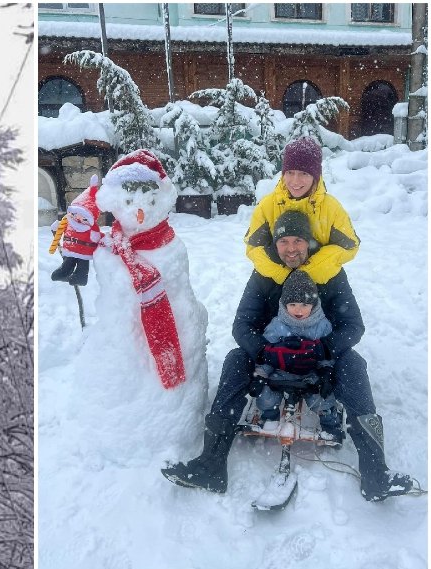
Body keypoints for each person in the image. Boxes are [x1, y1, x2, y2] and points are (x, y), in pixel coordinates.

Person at [162, 211, 416, 502]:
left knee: (354, 364)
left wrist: (323, 349)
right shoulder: (264, 273)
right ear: (275, 244)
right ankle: (211, 465)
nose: (291, 248)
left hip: (319, 360)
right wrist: (265, 352)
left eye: (298, 240)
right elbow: (242, 324)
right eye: (284, 241)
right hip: (271, 358)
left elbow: (353, 325)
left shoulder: (330, 273)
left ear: (308, 242)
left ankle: (376, 475)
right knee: (235, 359)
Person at [245, 136, 360, 286]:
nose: (295, 181)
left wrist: (308, 272)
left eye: (303, 173)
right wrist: (284, 275)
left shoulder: (331, 208)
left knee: (347, 309)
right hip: (276, 277)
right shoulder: (267, 206)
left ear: (315, 176)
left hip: (320, 279)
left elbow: (350, 246)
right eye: (290, 172)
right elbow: (254, 248)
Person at [248, 266, 342, 443]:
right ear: (284, 305)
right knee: (265, 395)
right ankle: (270, 415)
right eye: (292, 305)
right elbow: (266, 355)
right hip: (280, 373)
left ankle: (330, 422)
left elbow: (326, 356)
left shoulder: (321, 326)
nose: (298, 310)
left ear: (313, 305)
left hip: (310, 374)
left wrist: (326, 373)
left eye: (305, 305)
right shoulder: (277, 325)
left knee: (320, 397)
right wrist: (260, 375)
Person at [50, 185, 102, 287]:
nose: (77, 218)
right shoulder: (68, 222)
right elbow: (61, 228)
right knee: (68, 262)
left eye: (84, 218)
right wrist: (56, 227)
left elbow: (98, 237)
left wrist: (103, 239)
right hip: (70, 250)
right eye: (74, 214)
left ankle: (81, 277)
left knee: (82, 265)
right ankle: (64, 272)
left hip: (84, 252)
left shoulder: (91, 228)